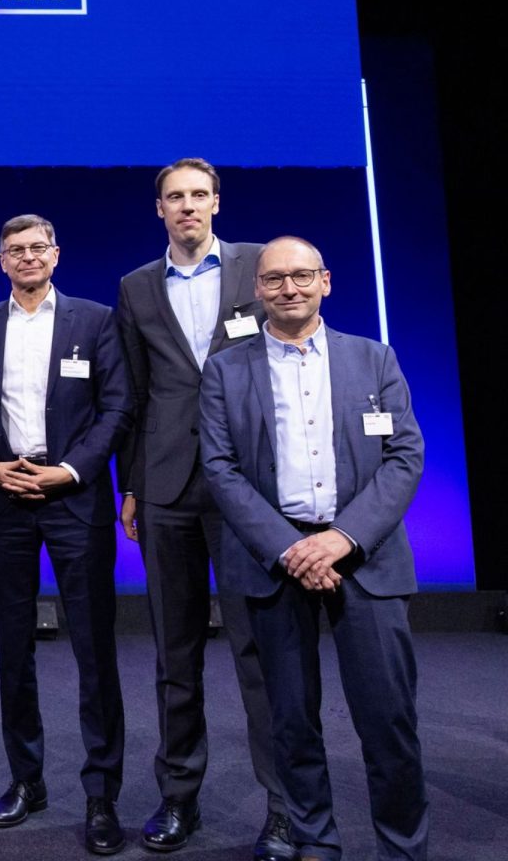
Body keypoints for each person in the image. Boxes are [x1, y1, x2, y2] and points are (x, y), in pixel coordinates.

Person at [200, 236, 428, 861]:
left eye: (302, 276)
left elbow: (405, 456)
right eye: (274, 279)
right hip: (275, 565)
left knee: (389, 721)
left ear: (325, 281)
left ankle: (402, 849)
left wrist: (341, 539)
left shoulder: (374, 358)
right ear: (258, 290)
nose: (289, 288)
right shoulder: (225, 370)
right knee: (290, 721)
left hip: (366, 558)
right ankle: (314, 841)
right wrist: (289, 548)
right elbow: (220, 468)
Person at [117, 158, 290, 858]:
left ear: (216, 201)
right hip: (166, 486)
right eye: (175, 197)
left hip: (249, 485)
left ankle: (284, 806)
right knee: (175, 651)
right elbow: (134, 395)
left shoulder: (261, 266)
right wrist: (130, 485)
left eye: (198, 194)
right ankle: (178, 796)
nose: (187, 206)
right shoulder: (135, 285)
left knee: (260, 650)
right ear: (158, 208)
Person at [0, 214, 132, 855]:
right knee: (13, 648)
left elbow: (117, 406)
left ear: (56, 255)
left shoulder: (95, 319)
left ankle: (101, 795)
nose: (28, 257)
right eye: (16, 250)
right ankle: (26, 780)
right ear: (1, 261)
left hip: (75, 497)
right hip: (5, 498)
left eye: (38, 247)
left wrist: (69, 471)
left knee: (93, 649)